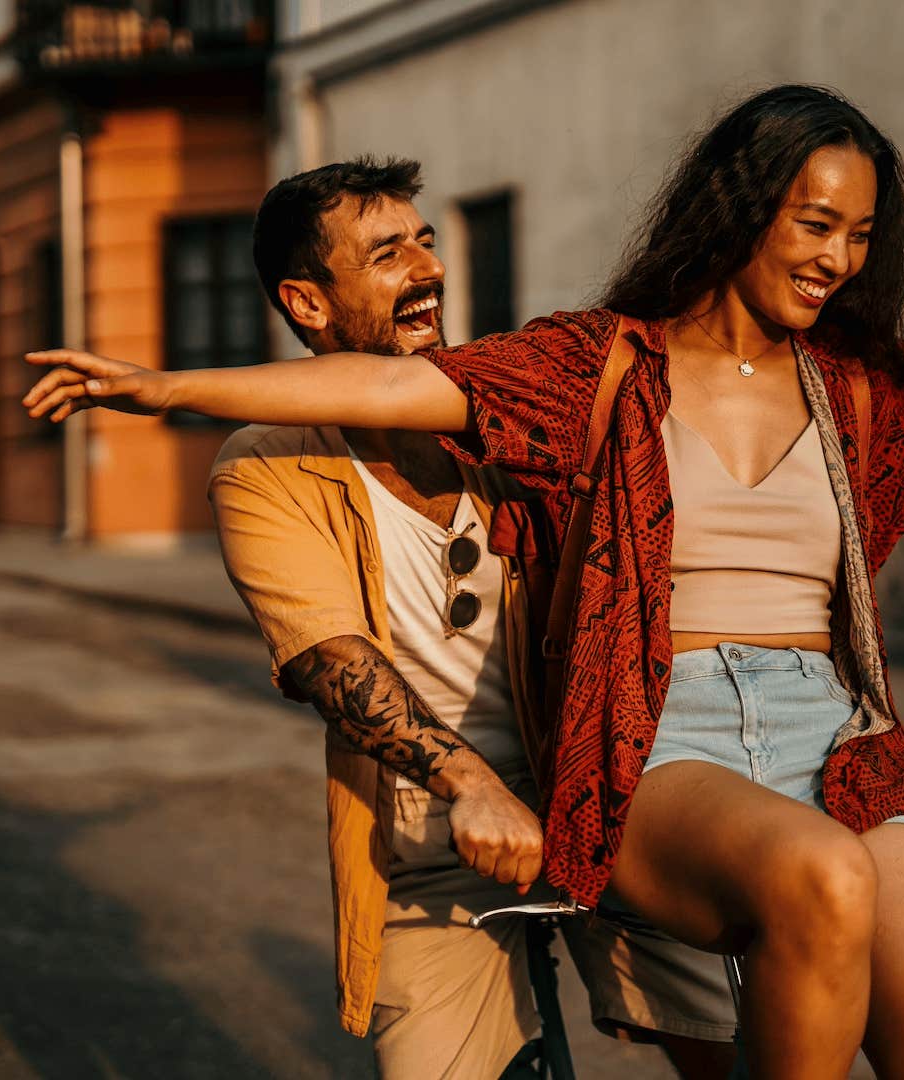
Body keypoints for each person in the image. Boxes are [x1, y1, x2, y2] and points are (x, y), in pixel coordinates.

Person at [24, 86, 904, 1078]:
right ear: (747, 205)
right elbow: (383, 394)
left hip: (834, 745)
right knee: (817, 893)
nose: (839, 257)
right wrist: (159, 386)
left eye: (859, 234)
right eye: (815, 223)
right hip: (642, 745)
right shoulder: (594, 369)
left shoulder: (862, 394)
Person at [209, 157, 735, 1079]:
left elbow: (672, 572)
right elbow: (332, 661)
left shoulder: (508, 413)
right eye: (385, 253)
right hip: (430, 828)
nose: (427, 267)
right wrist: (472, 786)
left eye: (426, 240)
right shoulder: (265, 464)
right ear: (308, 302)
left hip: (603, 781)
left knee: (745, 1047)